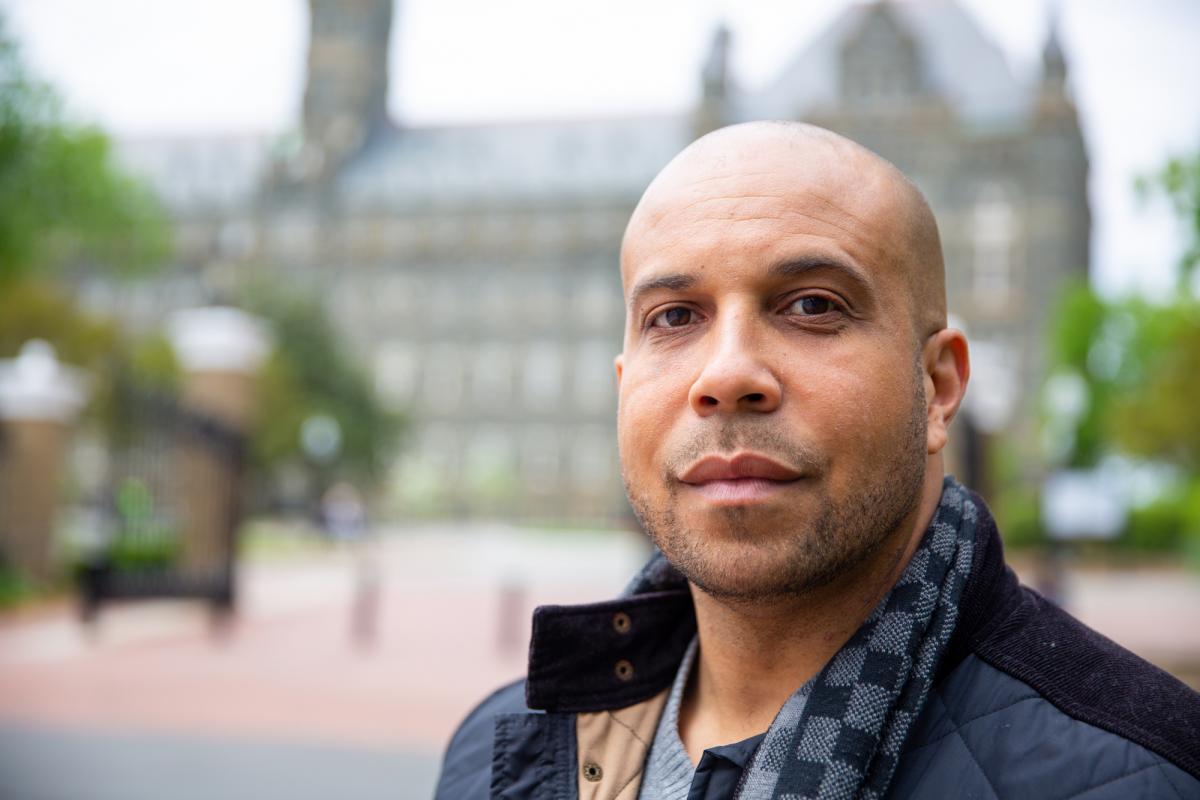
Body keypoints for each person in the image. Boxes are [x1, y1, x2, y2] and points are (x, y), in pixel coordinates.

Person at [434, 122, 1200, 799]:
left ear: (936, 388)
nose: (727, 375)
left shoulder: (1144, 775)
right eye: (674, 317)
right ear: (624, 389)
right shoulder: (496, 755)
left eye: (812, 305)